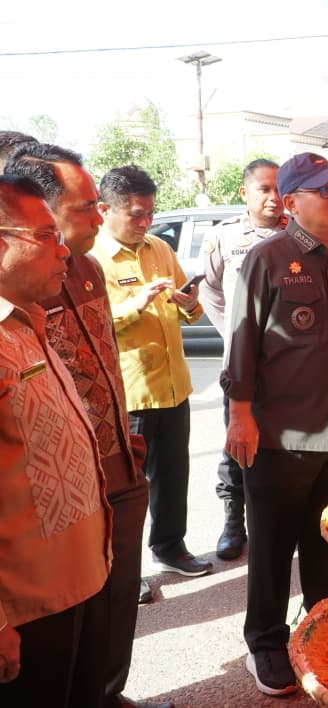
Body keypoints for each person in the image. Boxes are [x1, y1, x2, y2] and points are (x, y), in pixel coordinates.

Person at [5, 145, 171, 708]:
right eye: (86, 208)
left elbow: (101, 360)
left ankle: (109, 691)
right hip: (60, 490)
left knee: (114, 600)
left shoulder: (89, 270)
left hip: (117, 461)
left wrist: (123, 434)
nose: (100, 217)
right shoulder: (22, 291)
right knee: (59, 630)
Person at [223, 152, 328, 696]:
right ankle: (265, 644)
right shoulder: (266, 259)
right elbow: (242, 342)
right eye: (322, 190)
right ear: (291, 203)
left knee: (325, 539)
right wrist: (240, 416)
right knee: (270, 544)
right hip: (279, 434)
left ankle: (320, 627)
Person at [0, 175, 112, 706]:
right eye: (46, 235)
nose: (63, 248)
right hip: (26, 611)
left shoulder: (28, 324)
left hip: (77, 583)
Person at [91, 165, 213, 578]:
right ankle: (126, 568)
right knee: (127, 488)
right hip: (132, 392)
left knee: (174, 475)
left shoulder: (160, 248)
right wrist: (134, 304)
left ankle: (170, 547)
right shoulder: (92, 259)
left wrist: (188, 302)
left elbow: (189, 312)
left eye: (150, 215)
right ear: (105, 209)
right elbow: (93, 325)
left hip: (174, 386)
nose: (144, 223)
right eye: (136, 214)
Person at [198, 158, 287, 561]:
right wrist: (237, 340)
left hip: (291, 369)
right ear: (244, 193)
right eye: (264, 189)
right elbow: (211, 292)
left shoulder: (299, 234)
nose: (273, 198)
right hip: (242, 369)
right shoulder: (224, 238)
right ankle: (235, 522)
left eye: (279, 189)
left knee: (285, 451)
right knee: (238, 447)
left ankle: (280, 521)